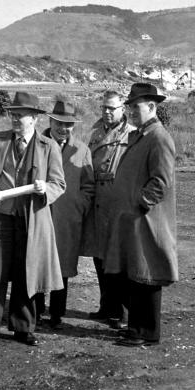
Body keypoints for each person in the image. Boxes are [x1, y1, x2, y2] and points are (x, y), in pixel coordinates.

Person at [0, 92, 66, 348]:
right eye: (13, 115)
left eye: (20, 115)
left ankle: (23, 327)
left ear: (34, 119)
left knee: (26, 274)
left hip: (31, 222)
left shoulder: (48, 146)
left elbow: (58, 183)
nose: (15, 119)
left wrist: (45, 190)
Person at [104, 82, 177, 347]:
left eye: (136, 106)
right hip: (134, 220)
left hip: (147, 219)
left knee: (147, 274)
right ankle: (136, 327)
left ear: (151, 106)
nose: (131, 111)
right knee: (135, 274)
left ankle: (147, 331)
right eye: (130, 106)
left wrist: (140, 203)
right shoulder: (141, 135)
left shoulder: (159, 137)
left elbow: (161, 180)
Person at [36, 99, 94, 328]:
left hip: (68, 219)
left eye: (68, 125)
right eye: (59, 123)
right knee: (38, 262)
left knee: (63, 267)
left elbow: (89, 186)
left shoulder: (82, 150)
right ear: (50, 120)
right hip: (41, 213)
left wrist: (79, 205)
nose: (63, 128)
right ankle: (36, 309)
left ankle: (57, 314)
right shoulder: (37, 144)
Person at [84, 90, 135, 329]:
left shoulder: (131, 134)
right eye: (104, 107)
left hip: (116, 198)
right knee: (99, 256)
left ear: (122, 109)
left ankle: (122, 312)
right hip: (97, 199)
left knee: (118, 257)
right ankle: (106, 307)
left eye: (111, 108)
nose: (106, 112)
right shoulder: (95, 133)